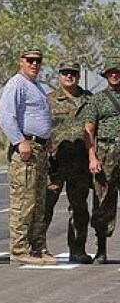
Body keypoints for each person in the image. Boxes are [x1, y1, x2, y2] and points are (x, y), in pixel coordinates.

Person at [0, 48, 53, 265]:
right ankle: (19, 250)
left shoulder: (36, 86)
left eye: (38, 61)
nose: (34, 64)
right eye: (30, 60)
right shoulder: (16, 84)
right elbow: (6, 116)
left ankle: (37, 248)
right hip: (25, 150)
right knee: (23, 202)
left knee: (38, 202)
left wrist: (47, 137)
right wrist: (19, 141)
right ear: (21, 61)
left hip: (39, 149)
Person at [43, 61, 93, 264]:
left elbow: (93, 129)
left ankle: (78, 249)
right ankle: (38, 248)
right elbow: (42, 126)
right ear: (59, 76)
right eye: (65, 73)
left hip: (79, 162)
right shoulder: (49, 100)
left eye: (73, 73)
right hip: (55, 162)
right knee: (46, 205)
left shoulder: (89, 100)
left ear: (78, 76)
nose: (69, 76)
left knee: (79, 207)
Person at [83, 57, 120, 264]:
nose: (115, 75)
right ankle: (101, 248)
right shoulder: (97, 99)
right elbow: (89, 129)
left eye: (118, 71)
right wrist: (92, 156)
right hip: (106, 151)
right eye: (111, 72)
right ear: (106, 75)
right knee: (103, 199)